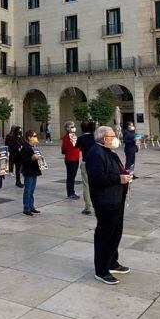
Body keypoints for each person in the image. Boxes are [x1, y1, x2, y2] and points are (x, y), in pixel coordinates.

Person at [85, 125, 132, 284]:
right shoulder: (95, 153)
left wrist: (125, 174)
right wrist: (118, 179)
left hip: (117, 198)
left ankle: (112, 262)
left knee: (115, 233)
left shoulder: (108, 151)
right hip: (105, 200)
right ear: (104, 138)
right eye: (112, 136)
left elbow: (115, 170)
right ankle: (101, 269)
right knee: (105, 235)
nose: (115, 139)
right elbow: (97, 177)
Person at [18, 130, 42, 216]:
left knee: (32, 190)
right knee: (27, 190)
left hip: (34, 170)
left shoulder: (34, 147)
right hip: (28, 171)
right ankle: (26, 208)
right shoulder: (25, 147)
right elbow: (23, 160)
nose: (36, 137)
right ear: (29, 137)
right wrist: (32, 158)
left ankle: (31, 206)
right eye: (34, 136)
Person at [77, 121, 97, 216]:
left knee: (86, 185)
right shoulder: (96, 137)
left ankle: (88, 206)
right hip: (97, 163)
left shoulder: (81, 138)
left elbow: (77, 146)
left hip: (86, 163)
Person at [61, 120, 81, 199]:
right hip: (70, 159)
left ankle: (72, 192)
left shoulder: (74, 136)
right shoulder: (66, 137)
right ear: (67, 128)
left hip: (75, 158)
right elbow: (64, 148)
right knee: (70, 176)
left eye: (73, 126)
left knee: (73, 176)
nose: (73, 128)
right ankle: (70, 193)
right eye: (71, 126)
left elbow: (78, 146)